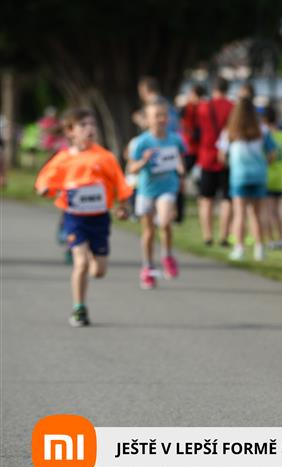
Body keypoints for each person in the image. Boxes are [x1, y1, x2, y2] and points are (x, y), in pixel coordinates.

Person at [35, 108, 132, 326]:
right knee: (81, 263)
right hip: (74, 218)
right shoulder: (63, 158)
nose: (90, 129)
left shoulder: (105, 157)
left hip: (99, 218)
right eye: (83, 125)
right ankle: (79, 308)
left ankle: (88, 254)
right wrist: (44, 189)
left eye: (92, 125)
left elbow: (120, 183)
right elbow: (46, 180)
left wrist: (122, 206)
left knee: (99, 271)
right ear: (70, 131)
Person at [127, 101, 186, 289]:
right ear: (147, 119)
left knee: (165, 222)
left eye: (164, 115)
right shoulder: (142, 142)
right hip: (146, 190)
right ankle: (147, 267)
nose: (161, 119)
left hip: (168, 187)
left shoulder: (175, 139)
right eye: (157, 116)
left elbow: (180, 158)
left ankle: (167, 256)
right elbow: (131, 169)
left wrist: (181, 168)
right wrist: (143, 161)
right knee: (149, 231)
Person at [219, 97, 276, 261]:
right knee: (256, 215)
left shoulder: (229, 132)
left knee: (239, 214)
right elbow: (272, 154)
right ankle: (259, 249)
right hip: (259, 175)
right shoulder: (263, 130)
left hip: (239, 176)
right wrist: (263, 163)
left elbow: (221, 156)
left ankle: (239, 249)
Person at [196, 77, 234, 247]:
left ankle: (207, 236)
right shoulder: (232, 107)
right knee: (226, 199)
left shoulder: (203, 107)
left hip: (207, 156)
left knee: (206, 199)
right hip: (226, 158)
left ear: (214, 88)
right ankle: (224, 236)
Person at [263, 105, 282, 250]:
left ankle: (270, 240)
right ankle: (281, 239)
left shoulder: (266, 136)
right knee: (277, 212)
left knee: (268, 211)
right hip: (280, 178)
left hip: (267, 177)